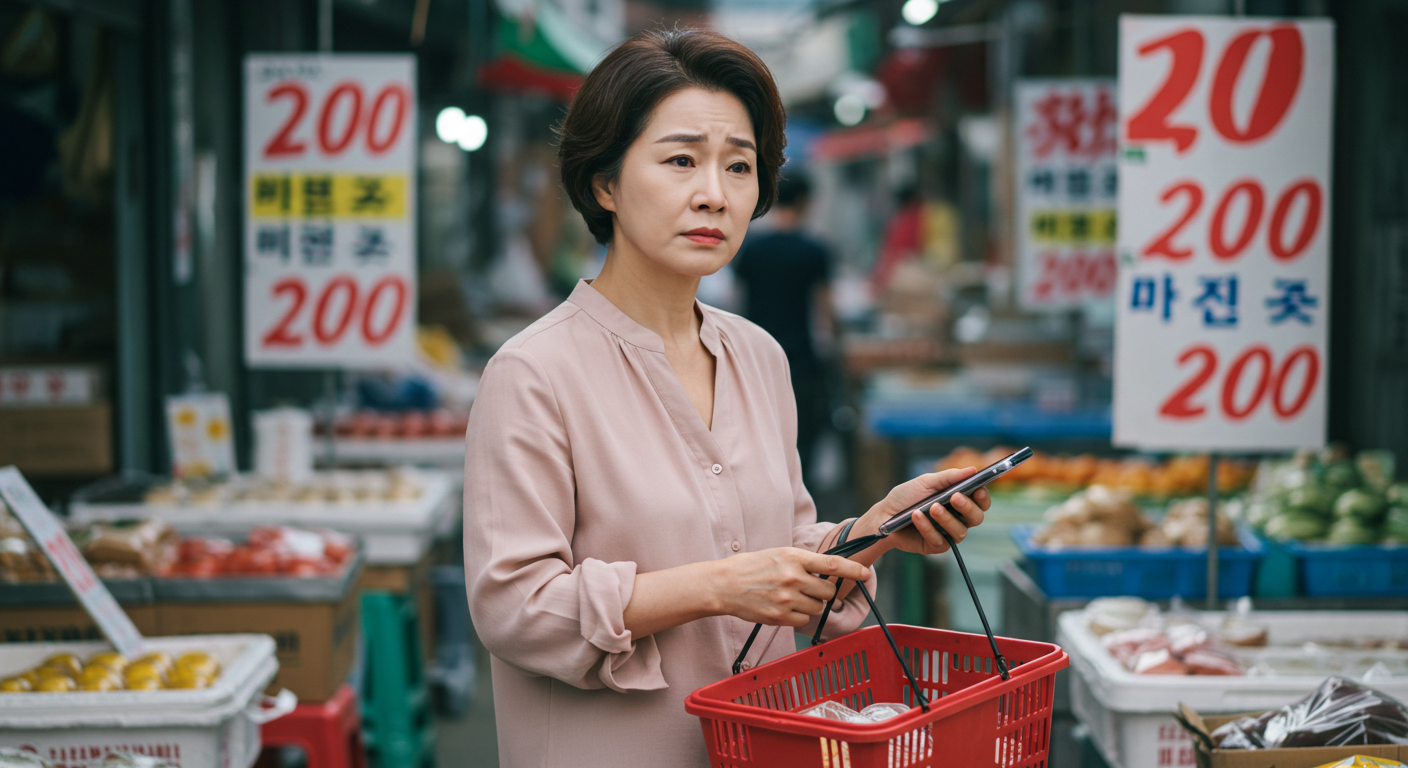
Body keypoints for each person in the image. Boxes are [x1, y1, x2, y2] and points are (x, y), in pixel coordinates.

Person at [464, 28, 990, 768]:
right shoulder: (533, 373)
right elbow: (512, 607)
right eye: (680, 160)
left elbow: (778, 557)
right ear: (605, 182)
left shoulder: (758, 357)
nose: (714, 192)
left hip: (763, 745)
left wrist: (879, 528)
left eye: (738, 166)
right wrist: (719, 587)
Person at [731, 174, 833, 486]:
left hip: (752, 360)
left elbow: (736, 303)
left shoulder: (752, 249)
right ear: (804, 202)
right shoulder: (813, 250)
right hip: (800, 361)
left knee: (758, 438)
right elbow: (825, 310)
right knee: (801, 443)